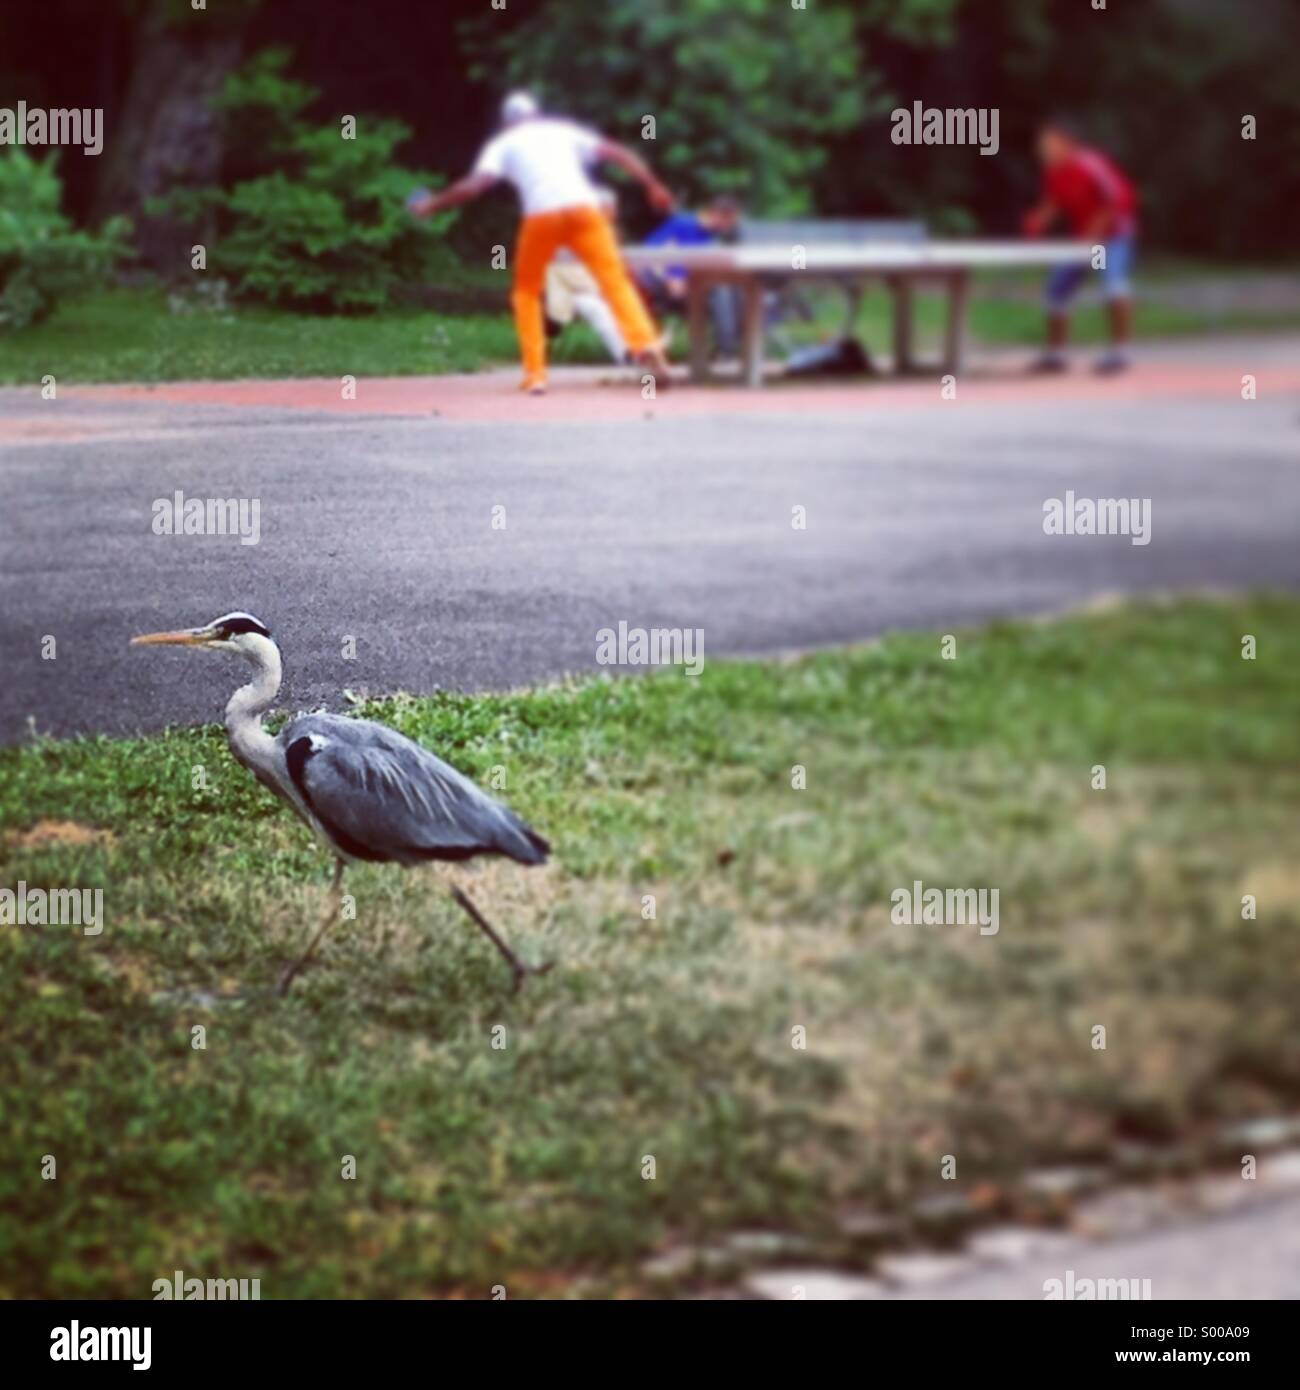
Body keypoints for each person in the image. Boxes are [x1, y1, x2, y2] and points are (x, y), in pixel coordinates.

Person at [410, 91, 674, 395]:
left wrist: (433, 205)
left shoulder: (503, 144)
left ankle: (535, 374)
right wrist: (653, 184)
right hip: (585, 210)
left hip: (542, 216)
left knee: (527, 292)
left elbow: (474, 186)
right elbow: (617, 153)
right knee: (615, 282)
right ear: (535, 115)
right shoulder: (561, 130)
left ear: (508, 123)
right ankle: (644, 343)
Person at [1022, 118, 1138, 375]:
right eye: (1042, 145)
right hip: (1083, 239)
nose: (1043, 150)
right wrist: (1039, 220)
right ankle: (1056, 354)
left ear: (1068, 144)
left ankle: (1120, 352)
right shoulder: (1053, 173)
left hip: (1113, 237)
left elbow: (1116, 200)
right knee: (1056, 290)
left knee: (1114, 286)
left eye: (1049, 144)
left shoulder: (1091, 165)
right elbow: (1055, 202)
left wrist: (1095, 236)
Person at [637, 196, 743, 357]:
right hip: (659, 282)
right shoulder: (684, 223)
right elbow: (655, 252)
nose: (730, 227)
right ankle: (727, 352)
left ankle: (734, 348)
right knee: (721, 291)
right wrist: (673, 275)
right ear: (718, 215)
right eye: (730, 221)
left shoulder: (712, 237)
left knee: (736, 291)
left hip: (692, 286)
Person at [544, 188, 631, 363]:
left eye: (611, 211)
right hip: (573, 292)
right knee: (594, 306)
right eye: (603, 210)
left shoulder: (612, 235)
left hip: (604, 289)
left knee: (625, 303)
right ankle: (626, 355)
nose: (609, 215)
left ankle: (644, 348)